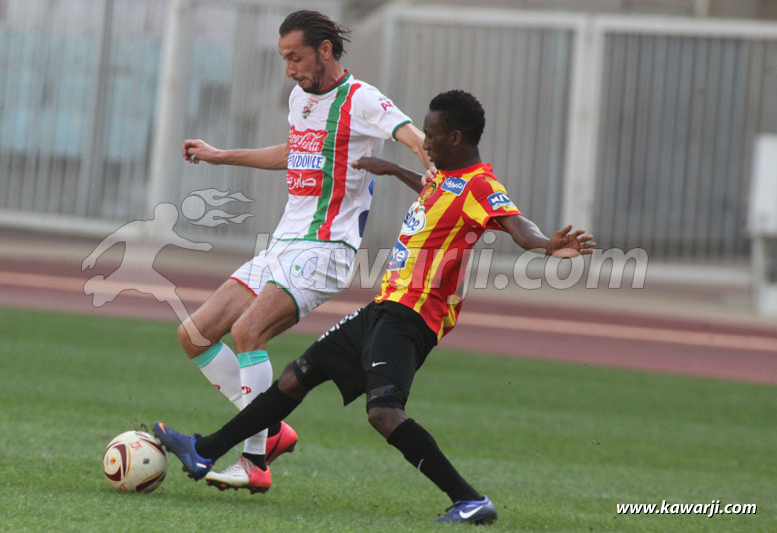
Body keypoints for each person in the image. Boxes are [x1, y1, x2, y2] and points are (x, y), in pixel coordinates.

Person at [155, 90, 595, 524]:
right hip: (385, 306)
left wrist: (547, 244)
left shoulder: (480, 184)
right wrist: (394, 169)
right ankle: (204, 451)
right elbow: (435, 191)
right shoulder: (445, 176)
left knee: (383, 413)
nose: (425, 142)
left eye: (432, 135)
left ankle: (471, 500)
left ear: (456, 138)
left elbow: (517, 227)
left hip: (413, 315)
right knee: (296, 376)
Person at [176, 10, 431, 493]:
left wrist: (429, 159)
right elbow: (295, 153)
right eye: (284, 59)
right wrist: (221, 154)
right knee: (194, 335)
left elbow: (410, 134)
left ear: (325, 51)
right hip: (282, 244)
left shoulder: (361, 99)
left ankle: (255, 462)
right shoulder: (300, 99)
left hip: (326, 249)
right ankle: (270, 428)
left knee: (247, 331)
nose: (289, 69)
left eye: (295, 57)